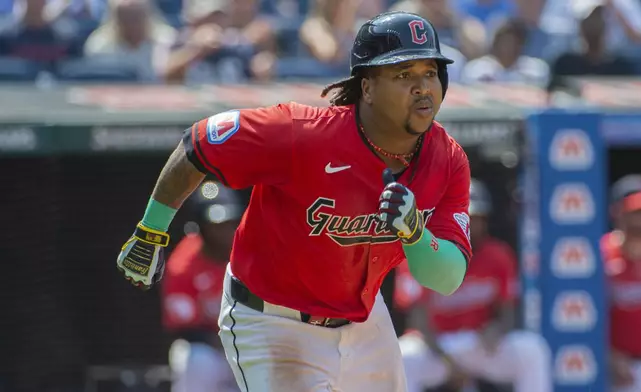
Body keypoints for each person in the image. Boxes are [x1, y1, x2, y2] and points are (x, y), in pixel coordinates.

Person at [116, 11, 472, 392]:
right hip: (274, 322)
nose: (422, 87)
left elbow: (447, 278)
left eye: (430, 72)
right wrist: (150, 229)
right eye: (404, 74)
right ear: (367, 87)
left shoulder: (448, 159)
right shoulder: (302, 133)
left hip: (365, 323)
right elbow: (199, 144)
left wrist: (415, 233)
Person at [397, 179, 551, 392]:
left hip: (479, 344)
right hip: (437, 348)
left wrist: (497, 329)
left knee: (532, 350)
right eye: (463, 217)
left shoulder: (499, 255)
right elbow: (418, 320)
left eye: (475, 218)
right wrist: (450, 364)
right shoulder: (420, 253)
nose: (469, 224)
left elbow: (507, 312)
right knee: (404, 355)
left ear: (485, 220)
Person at [161, 180, 242, 392]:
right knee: (195, 358)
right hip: (213, 350)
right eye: (215, 224)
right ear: (200, 227)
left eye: (229, 222)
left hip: (250, 343)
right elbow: (186, 329)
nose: (225, 231)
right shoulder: (183, 265)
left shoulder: (249, 254)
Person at [603, 174, 641, 392]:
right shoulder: (600, 255)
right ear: (617, 213)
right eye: (635, 213)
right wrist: (608, 354)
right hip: (614, 368)